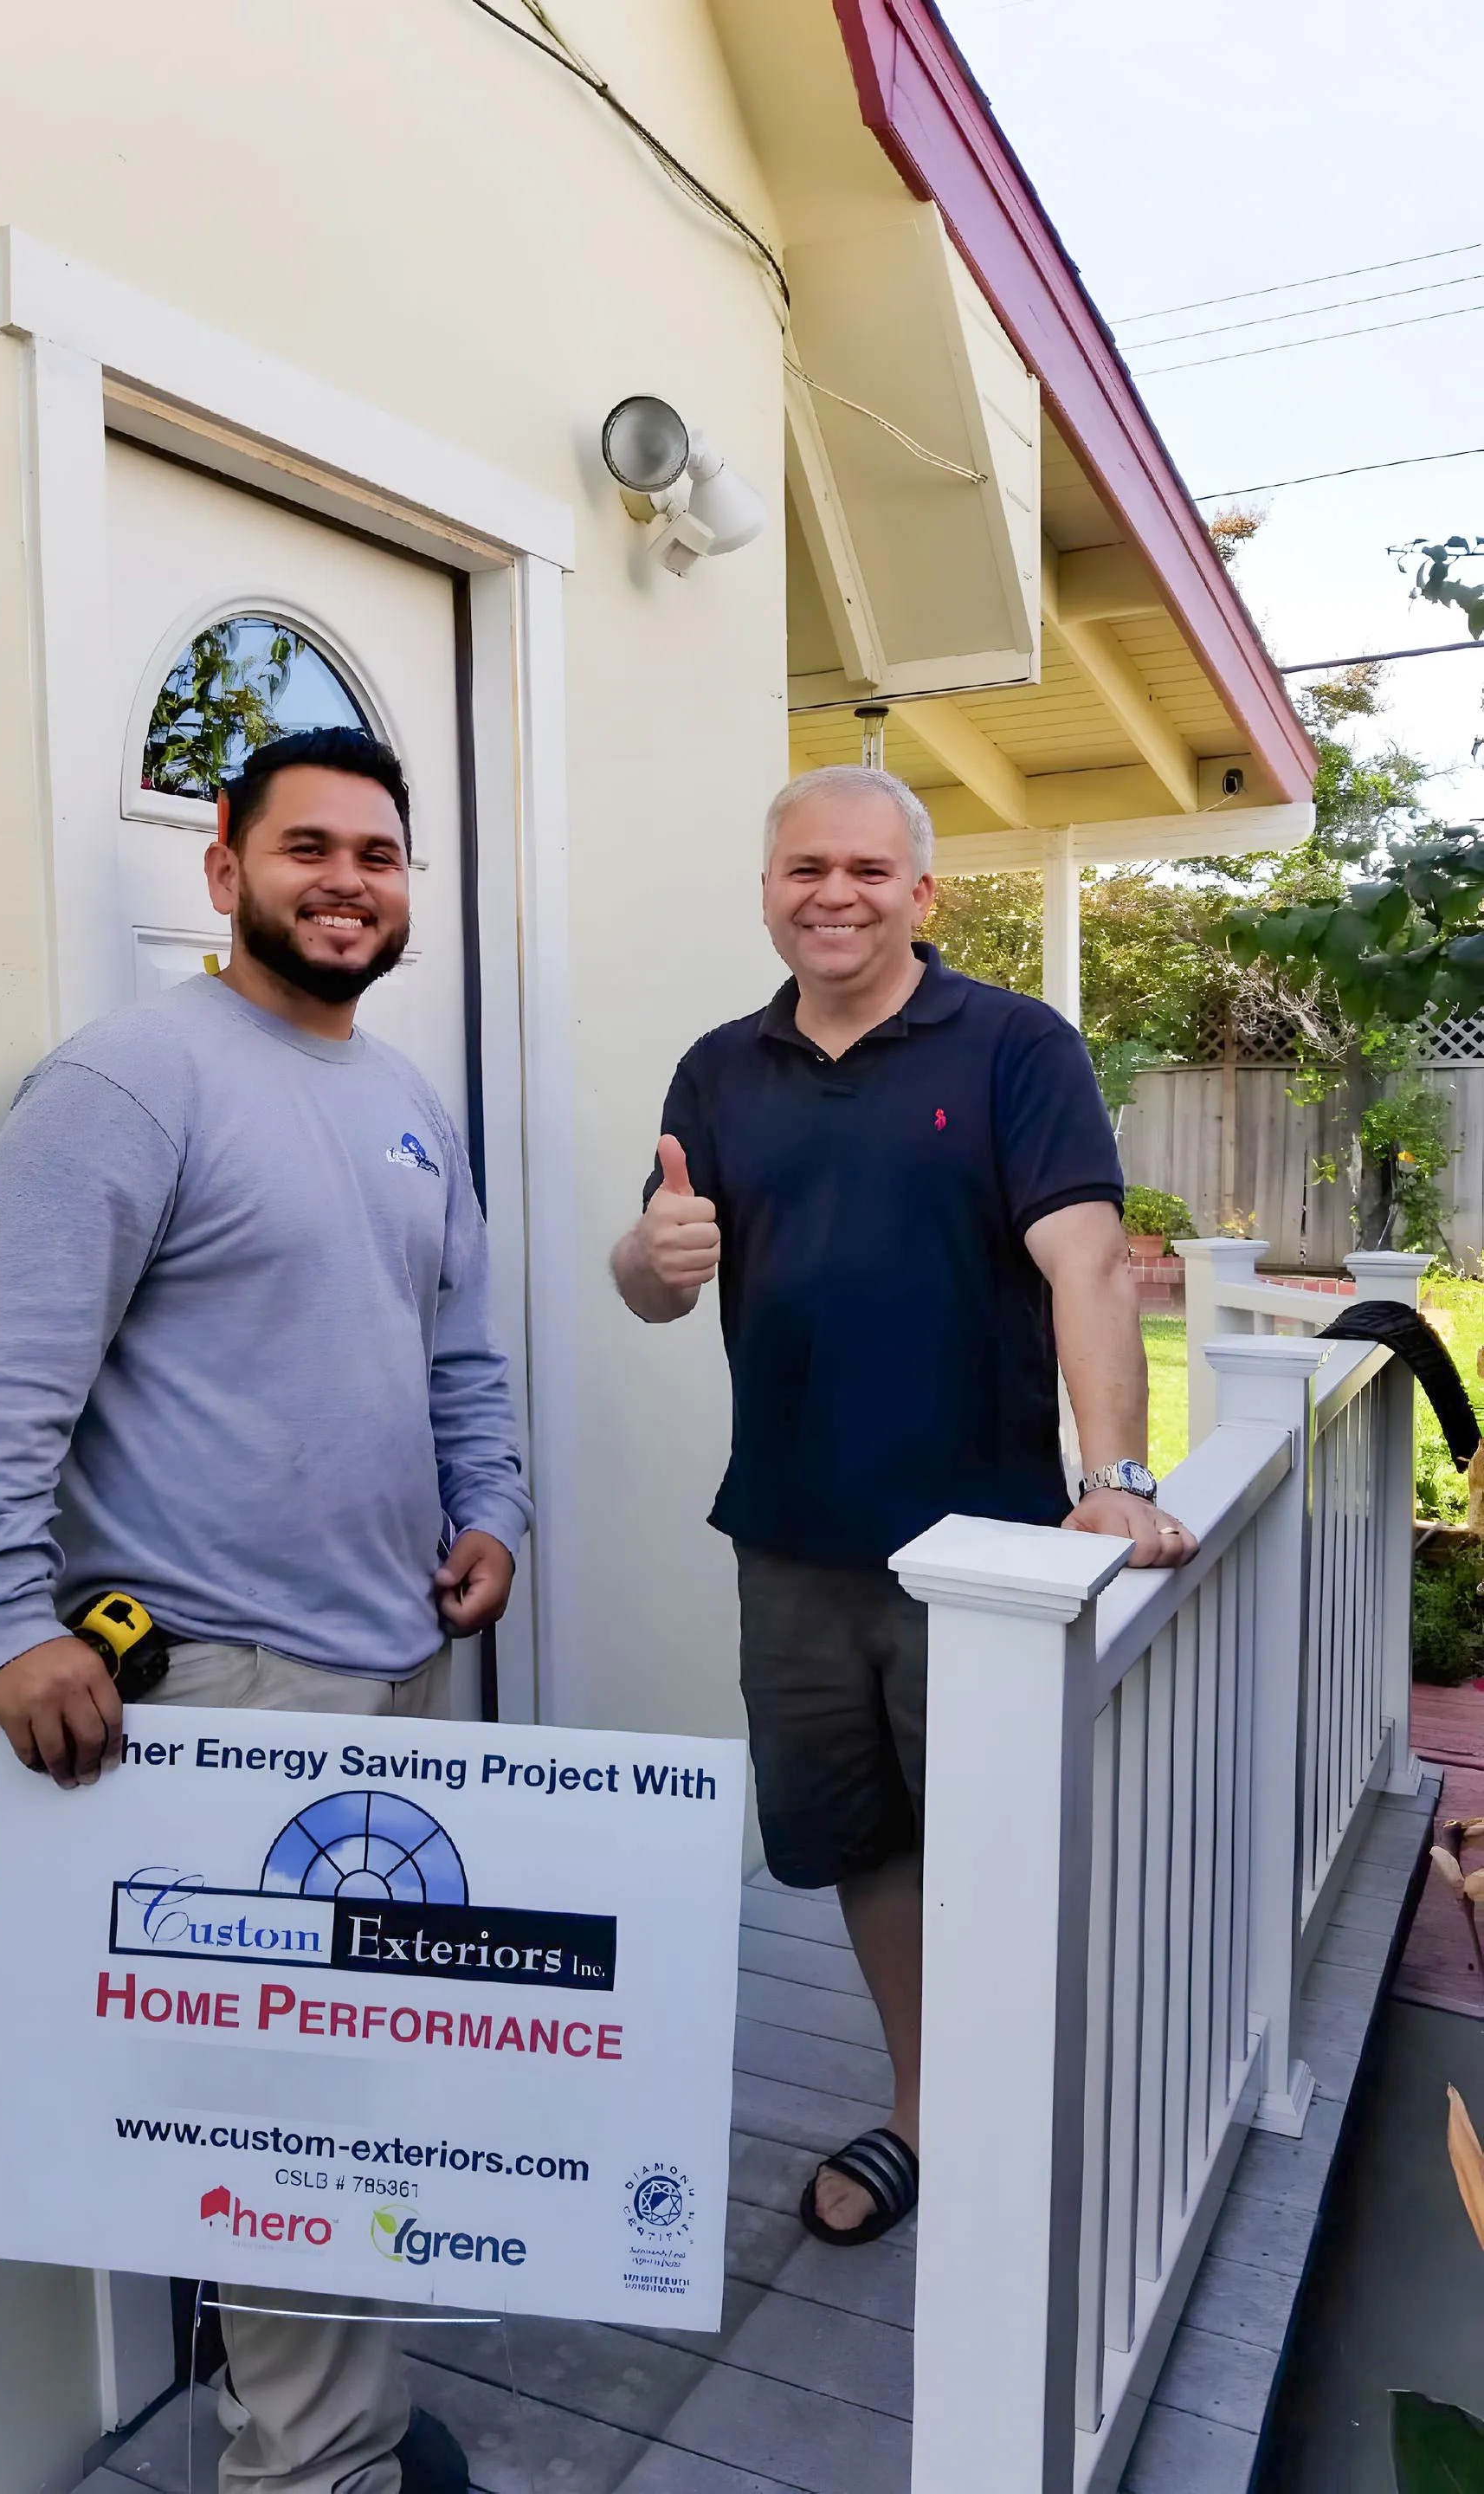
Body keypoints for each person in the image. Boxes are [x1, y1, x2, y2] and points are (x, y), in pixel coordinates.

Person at [0, 724, 530, 2494]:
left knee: (362, 2092)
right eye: (308, 848)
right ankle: (311, 2477)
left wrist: (490, 1506)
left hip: (399, 1669)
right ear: (223, 872)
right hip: (221, 1693)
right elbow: (3, 1381)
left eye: (380, 854)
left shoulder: (408, 1103)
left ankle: (331, 2423)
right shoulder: (129, 1083)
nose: (348, 881)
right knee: (292, 2121)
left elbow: (462, 1353)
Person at [609, 763, 1192, 2251]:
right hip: (793, 1539)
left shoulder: (1011, 1046)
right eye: (805, 868)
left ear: (922, 893)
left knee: (1005, 1845)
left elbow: (1085, 1262)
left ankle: (1052, 2106)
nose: (836, 894)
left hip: (981, 1550)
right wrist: (650, 1258)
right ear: (768, 893)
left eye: (869, 870)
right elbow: (653, 1277)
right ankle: (931, 2112)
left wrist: (1115, 1479)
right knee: (868, 1845)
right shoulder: (718, 1071)